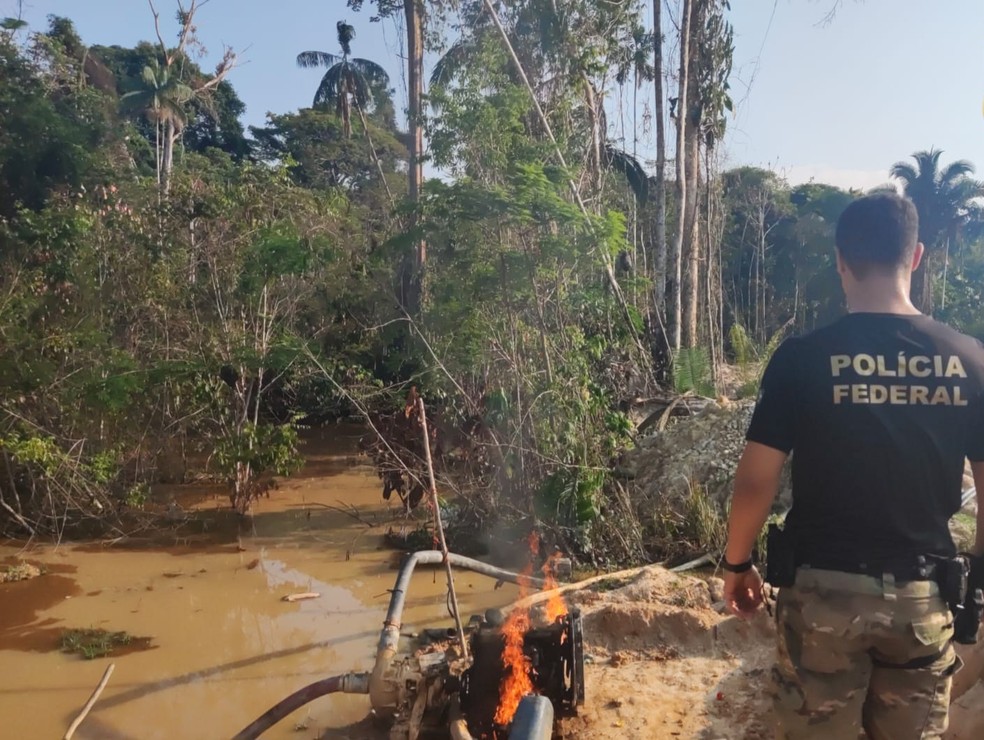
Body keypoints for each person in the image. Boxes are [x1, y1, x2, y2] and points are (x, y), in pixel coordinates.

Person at [721, 192, 984, 739]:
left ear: (841, 260)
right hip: (922, 597)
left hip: (821, 600)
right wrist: (976, 584)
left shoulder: (803, 357)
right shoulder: (969, 360)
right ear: (916, 258)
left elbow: (756, 479)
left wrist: (737, 563)